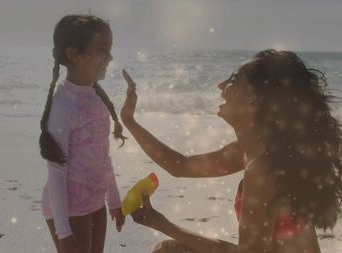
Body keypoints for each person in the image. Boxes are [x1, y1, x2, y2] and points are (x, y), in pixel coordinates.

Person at [120, 49, 342, 253]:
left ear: (255, 99)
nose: (221, 85)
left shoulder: (264, 168)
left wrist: (164, 225)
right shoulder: (249, 152)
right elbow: (180, 166)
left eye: (233, 80)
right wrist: (129, 121)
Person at [38, 15, 127, 253]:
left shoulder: (97, 98)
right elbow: (56, 172)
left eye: (109, 50)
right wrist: (63, 232)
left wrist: (114, 200)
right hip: (69, 207)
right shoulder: (63, 104)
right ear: (74, 54)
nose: (109, 58)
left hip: (95, 201)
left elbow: (102, 156)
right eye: (102, 50)